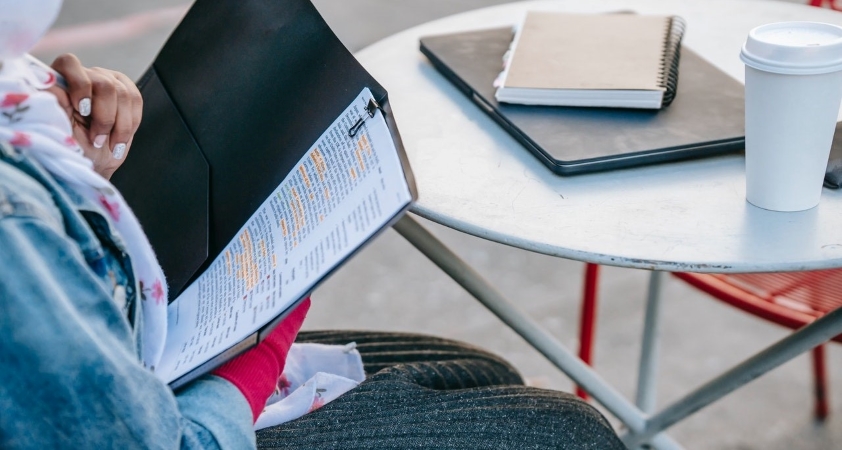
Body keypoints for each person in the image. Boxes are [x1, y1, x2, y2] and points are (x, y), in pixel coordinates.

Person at [0, 1, 626, 448]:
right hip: (171, 407)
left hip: (129, 353)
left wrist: (83, 168)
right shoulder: (13, 228)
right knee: (569, 431)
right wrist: (267, 330)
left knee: (480, 370)